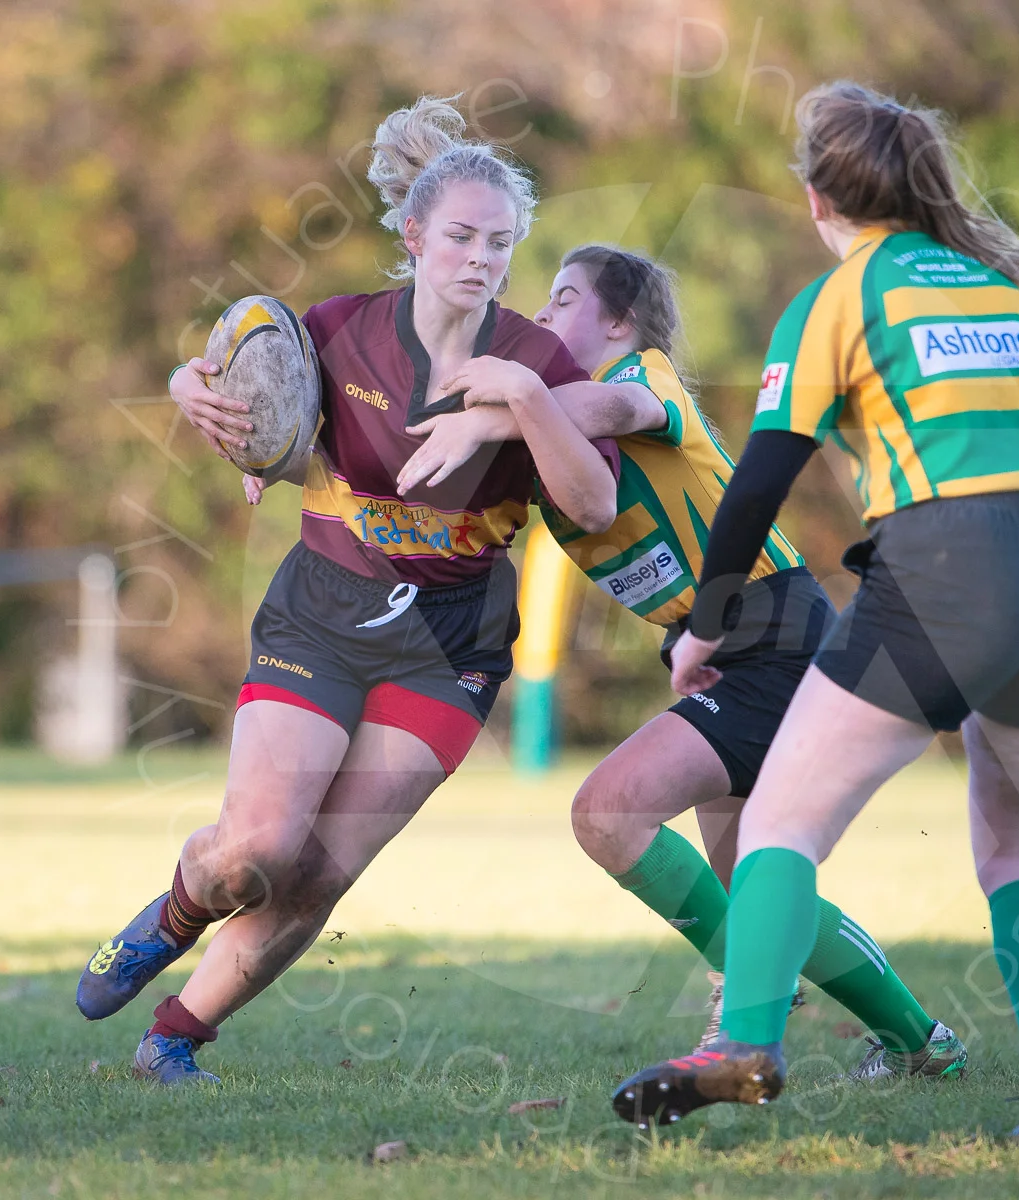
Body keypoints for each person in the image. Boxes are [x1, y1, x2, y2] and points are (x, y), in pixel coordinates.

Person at [74, 96, 622, 1085]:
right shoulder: (336, 333)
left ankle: (173, 1039)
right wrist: (186, 387)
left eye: (499, 243)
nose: (480, 259)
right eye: (459, 236)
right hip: (322, 612)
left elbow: (592, 503)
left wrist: (530, 401)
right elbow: (236, 373)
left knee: (323, 869)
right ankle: (174, 914)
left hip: (452, 644)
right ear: (413, 236)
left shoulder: (540, 360)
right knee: (258, 850)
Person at [612, 81, 1019, 1143]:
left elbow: (758, 481)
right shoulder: (1002, 291)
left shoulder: (842, 299)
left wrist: (705, 621)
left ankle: (743, 1039)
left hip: (948, 560)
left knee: (782, 823)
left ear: (814, 195)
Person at [407, 243, 968, 1081]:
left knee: (609, 814)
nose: (547, 314)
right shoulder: (552, 437)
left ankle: (744, 1006)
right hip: (727, 646)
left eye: (566, 299)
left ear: (622, 324)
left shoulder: (647, 380)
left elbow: (606, 410)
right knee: (756, 885)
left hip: (770, 632)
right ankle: (925, 1046)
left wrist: (498, 402)